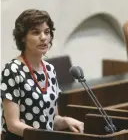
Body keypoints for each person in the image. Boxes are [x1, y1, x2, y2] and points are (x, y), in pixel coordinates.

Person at [1, 9, 84, 140]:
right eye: (36, 32)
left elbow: (52, 119)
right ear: (23, 37)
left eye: (47, 32)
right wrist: (42, 136)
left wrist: (66, 121)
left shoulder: (50, 70)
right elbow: (13, 125)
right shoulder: (12, 70)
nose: (43, 37)